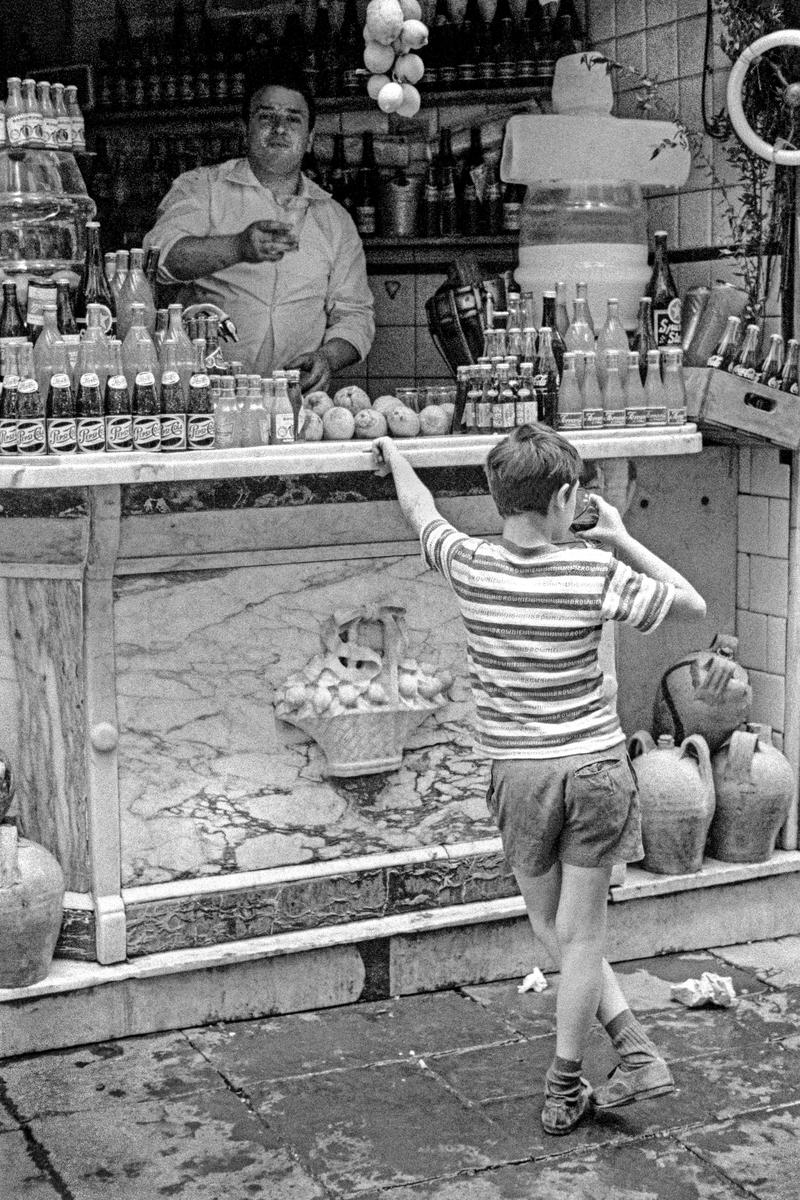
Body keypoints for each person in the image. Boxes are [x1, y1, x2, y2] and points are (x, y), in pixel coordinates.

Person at [372, 424, 707, 1136]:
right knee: (581, 934)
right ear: (564, 498)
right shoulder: (592, 571)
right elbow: (690, 602)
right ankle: (609, 1067)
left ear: (498, 498)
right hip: (594, 769)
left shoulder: (468, 561)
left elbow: (419, 509)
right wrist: (617, 536)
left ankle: (597, 1070)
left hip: (519, 775)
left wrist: (395, 453)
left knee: (551, 926)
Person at [143, 71, 374, 391]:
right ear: (245, 129)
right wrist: (238, 247)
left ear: (309, 138)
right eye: (266, 117)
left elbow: (355, 316)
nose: (280, 128)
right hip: (204, 394)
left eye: (293, 119)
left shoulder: (334, 219)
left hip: (295, 398)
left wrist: (326, 358)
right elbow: (158, 259)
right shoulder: (202, 188)